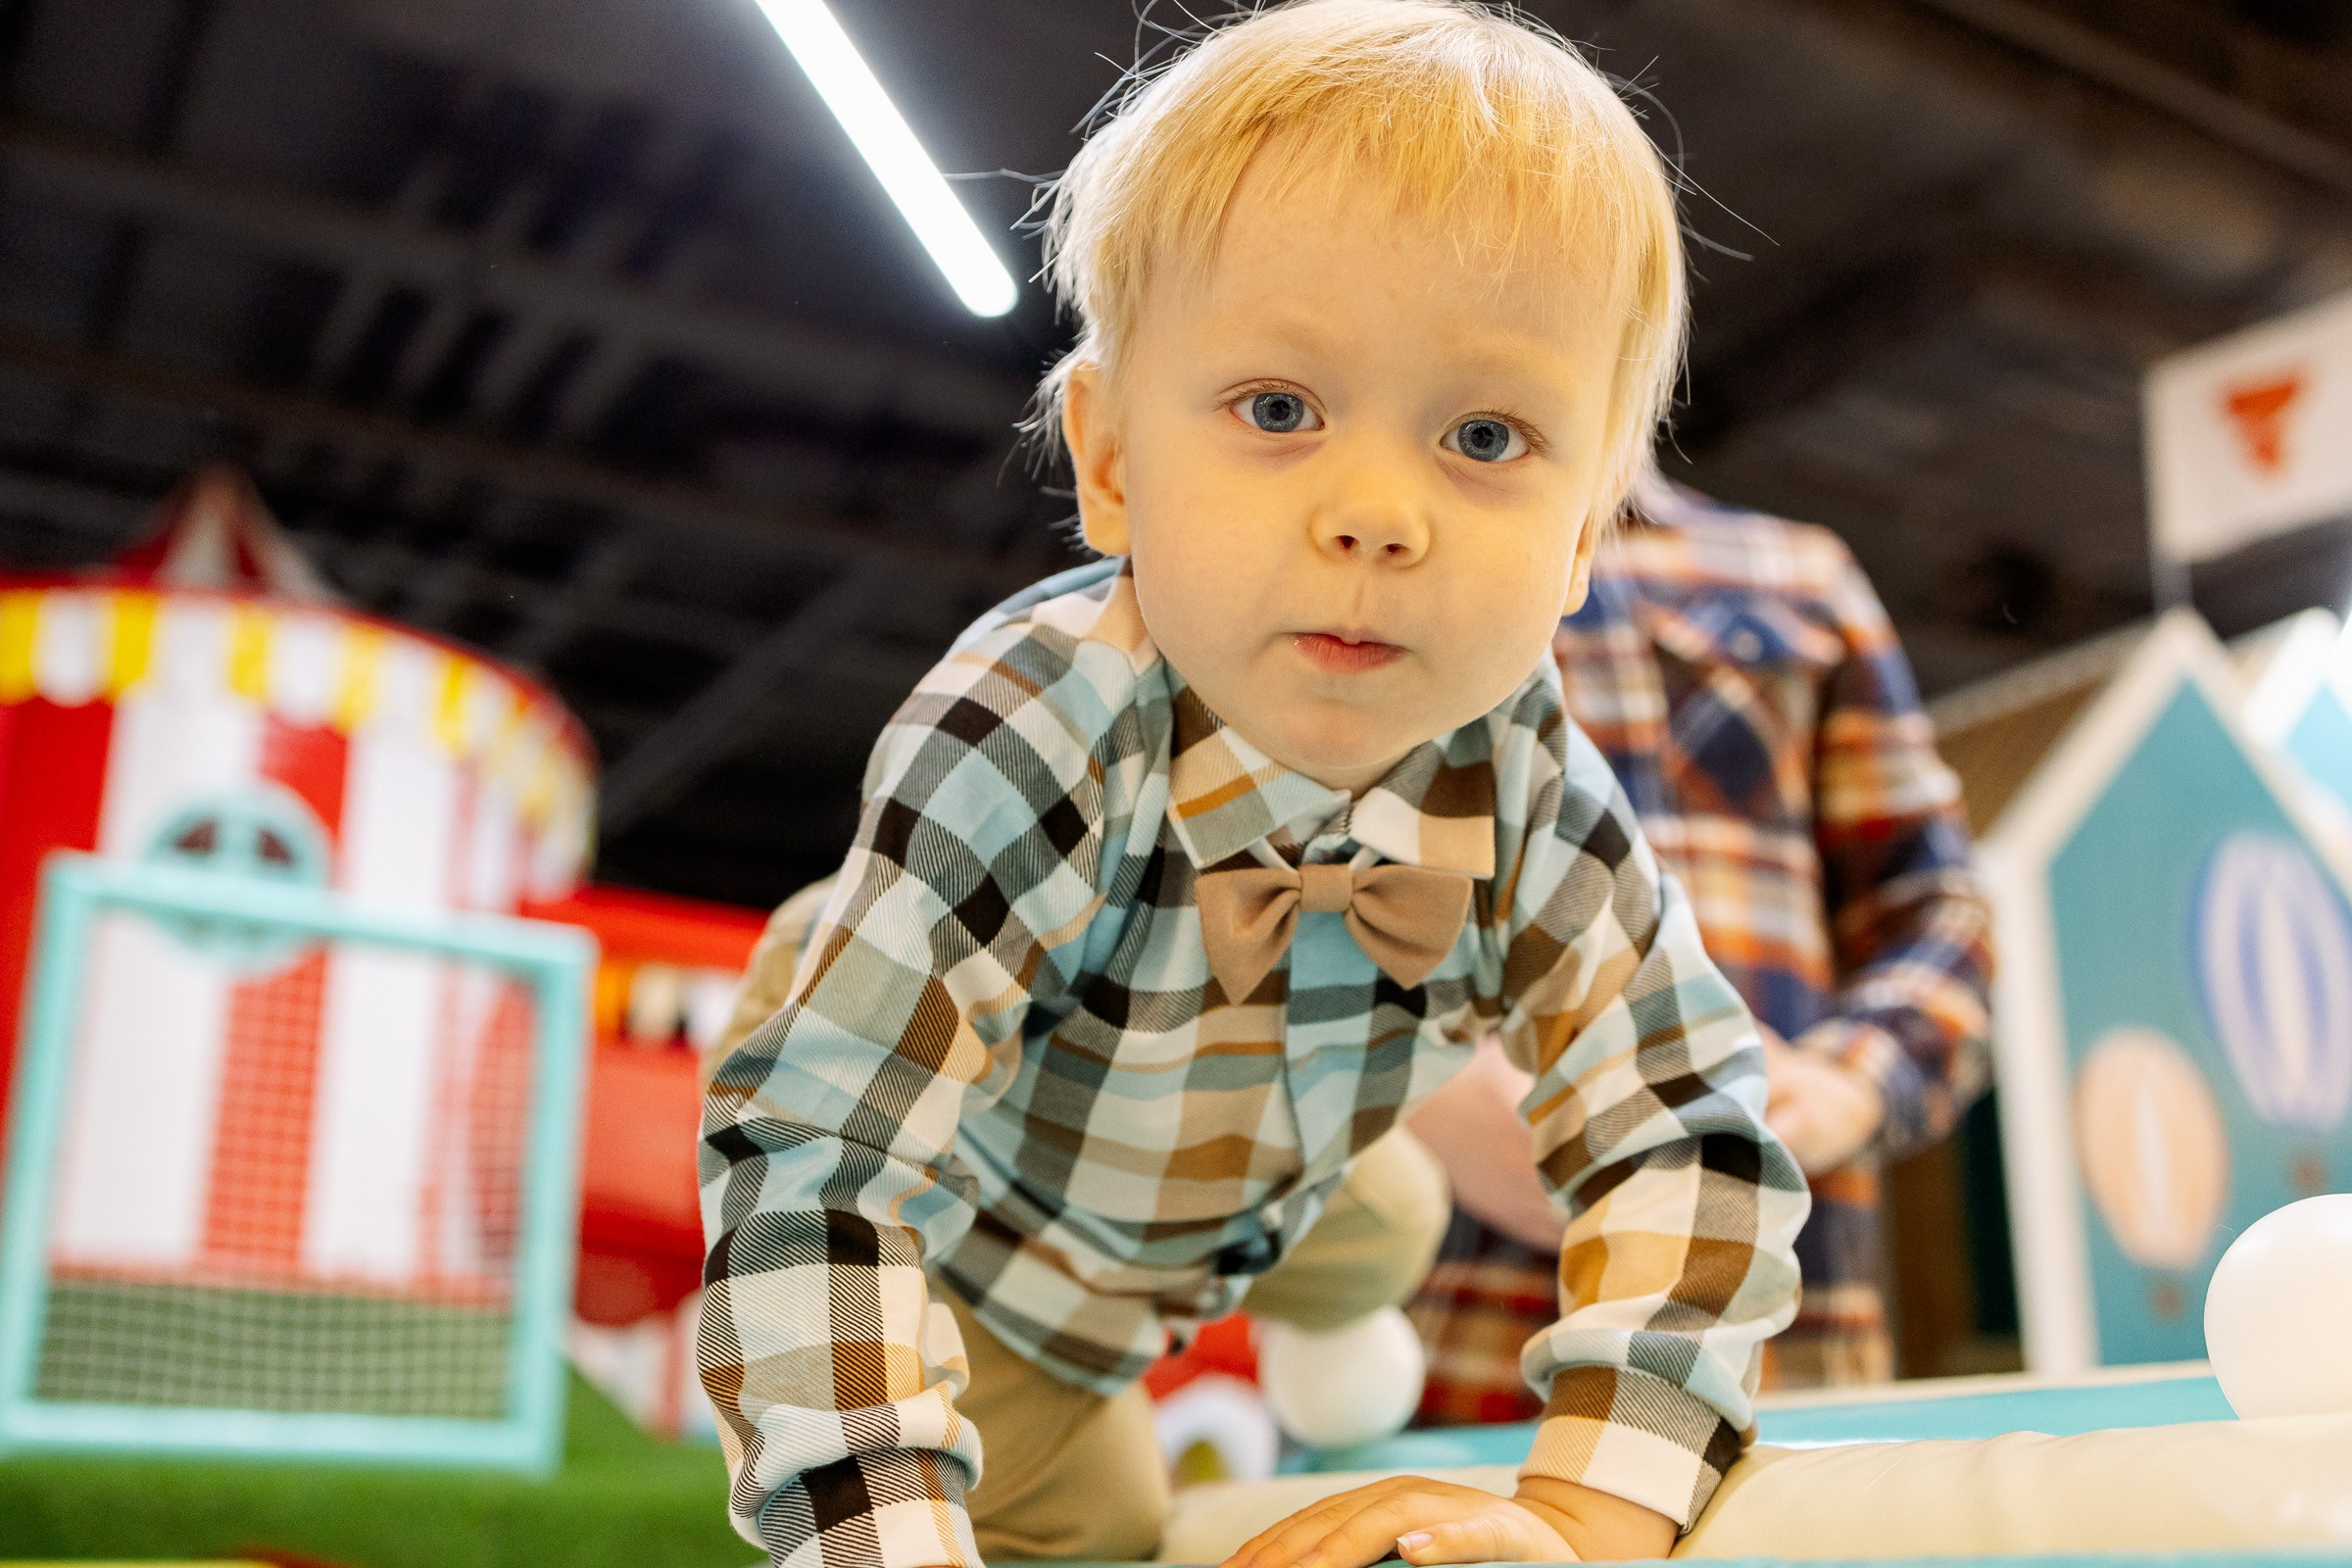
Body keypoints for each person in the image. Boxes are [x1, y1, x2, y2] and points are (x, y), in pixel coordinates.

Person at [695, 6, 1809, 1567]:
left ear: (1581, 544)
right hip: (978, 1212)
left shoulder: (1529, 781)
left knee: (1390, 1218)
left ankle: (1331, 1309)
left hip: (1246, 1139)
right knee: (1101, 1526)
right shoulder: (1027, 731)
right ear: (1112, 465)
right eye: (1280, 410)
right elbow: (827, 1171)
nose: (1376, 514)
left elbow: (1688, 1125)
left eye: (1484, 435)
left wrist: (1587, 1519)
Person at [1405, 477, 1994, 1411]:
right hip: (1447, 1331)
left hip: (1785, 1329)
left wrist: (1848, 1083)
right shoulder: (1381, 556)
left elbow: (1935, 909)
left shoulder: (1798, 575)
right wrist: (1415, 1090)